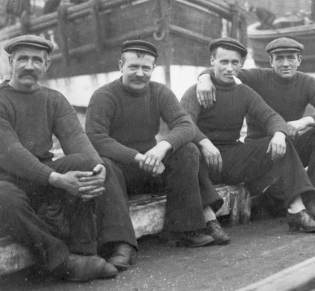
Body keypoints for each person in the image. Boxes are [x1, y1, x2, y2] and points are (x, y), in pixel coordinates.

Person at [0, 35, 137, 282]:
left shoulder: (53, 99)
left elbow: (76, 139)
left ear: (46, 65)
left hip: (39, 181)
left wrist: (97, 166)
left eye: (37, 60)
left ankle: (85, 251)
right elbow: (11, 154)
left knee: (87, 165)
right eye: (22, 59)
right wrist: (55, 178)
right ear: (10, 62)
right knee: (7, 197)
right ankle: (61, 261)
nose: (29, 65)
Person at [86, 40, 227, 249]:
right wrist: (136, 157)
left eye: (146, 68)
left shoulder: (159, 92)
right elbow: (96, 138)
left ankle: (182, 230)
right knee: (106, 164)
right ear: (120, 66)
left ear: (153, 68)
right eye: (133, 67)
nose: (140, 73)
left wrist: (163, 147)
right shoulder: (104, 96)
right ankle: (120, 243)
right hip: (122, 174)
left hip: (153, 169)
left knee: (188, 150)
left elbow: (185, 125)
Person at [180, 38, 315, 233]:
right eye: (224, 62)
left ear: (240, 66)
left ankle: (297, 211)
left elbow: (271, 117)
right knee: (188, 152)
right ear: (212, 62)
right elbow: (184, 126)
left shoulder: (245, 92)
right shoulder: (196, 92)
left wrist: (279, 134)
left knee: (283, 142)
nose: (229, 68)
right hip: (202, 157)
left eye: (235, 63)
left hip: (230, 158)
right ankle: (209, 220)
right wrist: (204, 143)